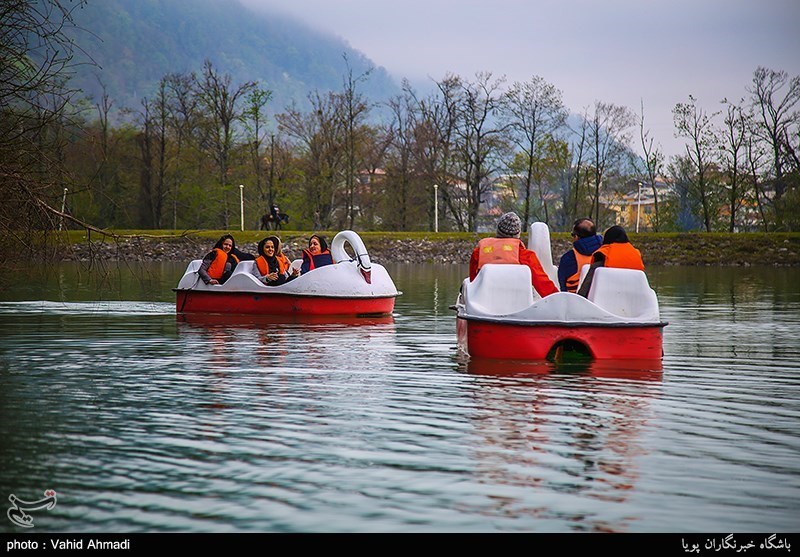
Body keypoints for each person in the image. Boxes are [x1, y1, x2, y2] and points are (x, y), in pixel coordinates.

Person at [469, 212, 558, 298]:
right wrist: (558, 298)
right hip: (517, 302)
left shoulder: (478, 253)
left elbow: (473, 281)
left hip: (484, 302)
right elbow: (542, 284)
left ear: (498, 231)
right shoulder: (526, 256)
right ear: (518, 234)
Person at [577, 225, 645, 297]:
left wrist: (579, 297)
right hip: (633, 298)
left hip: (606, 298)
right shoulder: (635, 253)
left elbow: (586, 286)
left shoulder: (601, 260)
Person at [557, 217, 603, 293]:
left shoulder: (568, 258)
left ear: (576, 237)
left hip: (575, 299)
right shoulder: (605, 253)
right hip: (599, 297)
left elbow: (563, 285)